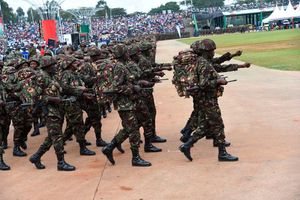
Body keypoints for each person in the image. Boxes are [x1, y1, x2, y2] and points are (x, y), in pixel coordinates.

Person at [179, 39, 250, 162]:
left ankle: (187, 145)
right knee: (218, 125)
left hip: (205, 99)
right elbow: (204, 83)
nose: (213, 53)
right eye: (212, 50)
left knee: (205, 126)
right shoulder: (204, 64)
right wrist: (218, 81)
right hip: (208, 99)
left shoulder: (201, 62)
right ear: (206, 51)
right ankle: (222, 153)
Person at [29, 56, 75, 171]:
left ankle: (36, 156)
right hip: (49, 111)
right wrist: (51, 99)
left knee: (51, 136)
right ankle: (61, 162)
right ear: (47, 66)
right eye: (53, 65)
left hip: (56, 109)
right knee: (57, 136)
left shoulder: (51, 76)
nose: (55, 67)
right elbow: (35, 96)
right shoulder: (40, 77)